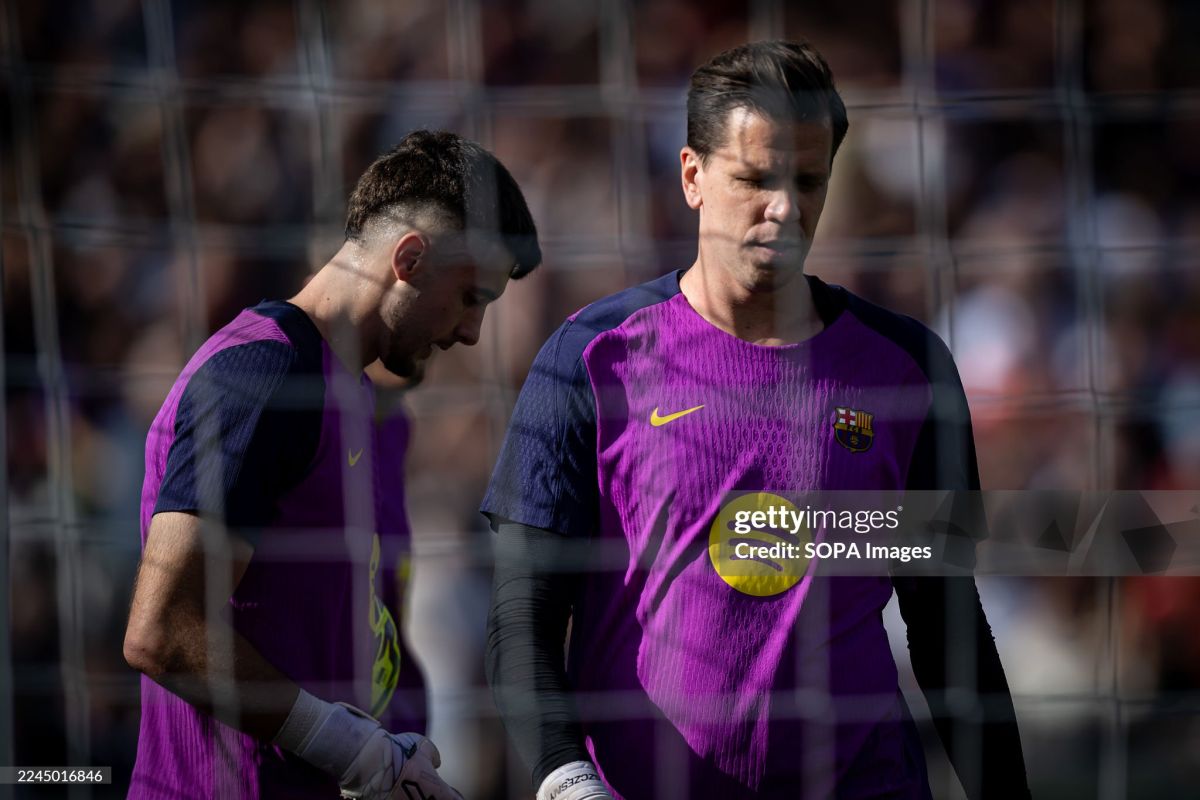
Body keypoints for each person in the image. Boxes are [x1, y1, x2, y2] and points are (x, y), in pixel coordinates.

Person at [482, 41, 1030, 800]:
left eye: (808, 181)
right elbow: (523, 620)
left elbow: (946, 623)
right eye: (755, 179)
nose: (785, 208)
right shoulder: (589, 358)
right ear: (692, 177)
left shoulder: (907, 369)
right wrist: (567, 781)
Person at [124, 129, 541, 799]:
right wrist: (351, 749)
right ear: (410, 258)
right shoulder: (264, 373)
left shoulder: (352, 396)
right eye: (472, 297)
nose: (472, 333)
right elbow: (162, 629)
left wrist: (388, 751)